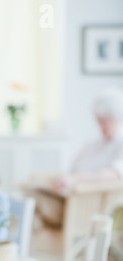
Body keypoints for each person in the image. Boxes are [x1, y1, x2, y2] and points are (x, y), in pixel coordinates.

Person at [29, 86, 123, 227]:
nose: (101, 126)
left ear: (117, 118)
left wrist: (74, 180)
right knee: (30, 187)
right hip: (67, 197)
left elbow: (115, 174)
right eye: (99, 120)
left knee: (32, 200)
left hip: (88, 206)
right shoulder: (92, 145)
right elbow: (71, 171)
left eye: (105, 121)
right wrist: (62, 181)